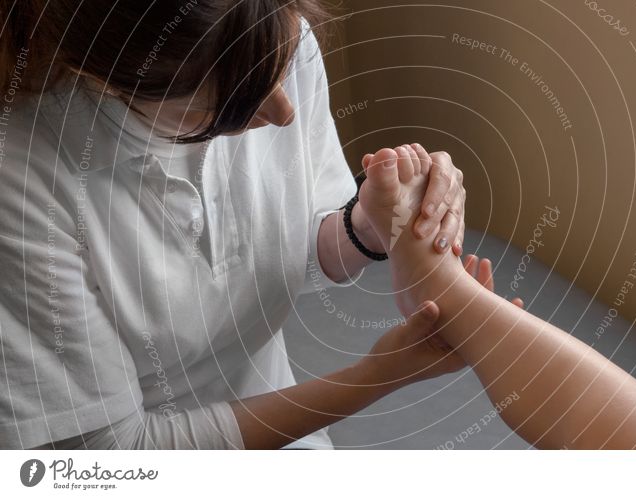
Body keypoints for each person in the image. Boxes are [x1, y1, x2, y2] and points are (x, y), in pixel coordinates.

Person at [0, 1, 471, 449]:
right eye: (231, 106)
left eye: (280, 68)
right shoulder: (21, 177)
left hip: (283, 437)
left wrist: (367, 227)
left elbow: (282, 251)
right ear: (102, 79)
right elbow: (112, 454)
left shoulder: (265, 33)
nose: (283, 113)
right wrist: (379, 375)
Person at [357, 147, 636, 450]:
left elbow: (308, 239)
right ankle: (447, 296)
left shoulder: (308, 73)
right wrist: (372, 374)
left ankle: (449, 297)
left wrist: (359, 223)